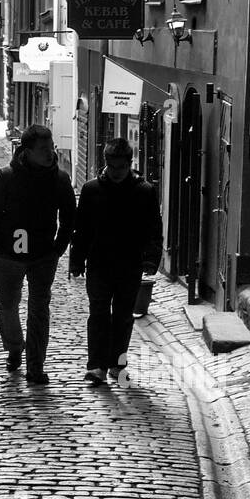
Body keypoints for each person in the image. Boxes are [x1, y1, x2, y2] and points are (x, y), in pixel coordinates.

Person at [0, 124, 76, 383]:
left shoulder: (59, 179)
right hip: (8, 256)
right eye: (43, 149)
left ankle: (35, 366)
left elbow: (70, 216)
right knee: (8, 307)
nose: (50, 153)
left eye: (51, 147)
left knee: (39, 310)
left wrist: (59, 248)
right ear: (27, 151)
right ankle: (15, 347)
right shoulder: (6, 177)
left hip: (43, 256)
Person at [69, 137, 163, 384]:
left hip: (129, 265)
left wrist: (151, 260)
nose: (118, 172)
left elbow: (154, 229)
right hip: (99, 264)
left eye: (122, 167)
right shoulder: (91, 190)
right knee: (98, 314)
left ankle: (116, 363)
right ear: (106, 163)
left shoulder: (144, 192)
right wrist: (76, 261)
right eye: (113, 167)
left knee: (123, 316)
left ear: (129, 163)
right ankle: (96, 366)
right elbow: (82, 230)